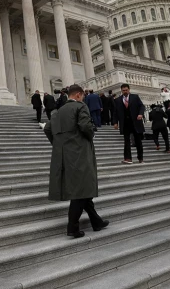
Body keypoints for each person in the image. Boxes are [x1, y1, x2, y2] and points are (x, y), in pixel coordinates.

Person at [44, 84, 109, 238]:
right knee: (81, 191)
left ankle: (96, 221)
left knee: (83, 188)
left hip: (64, 155)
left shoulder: (58, 111)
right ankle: (72, 227)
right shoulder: (81, 107)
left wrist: (59, 143)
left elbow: (47, 129)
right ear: (79, 95)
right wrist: (90, 134)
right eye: (83, 96)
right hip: (80, 153)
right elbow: (86, 126)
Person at [112, 83, 145, 164]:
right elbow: (115, 112)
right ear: (121, 91)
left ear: (129, 89)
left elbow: (142, 106)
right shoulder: (117, 100)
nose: (125, 92)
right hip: (125, 123)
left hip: (135, 122)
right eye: (123, 90)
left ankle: (140, 158)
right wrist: (115, 122)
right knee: (126, 141)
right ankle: (127, 158)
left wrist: (140, 114)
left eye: (126, 90)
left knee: (138, 141)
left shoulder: (135, 97)